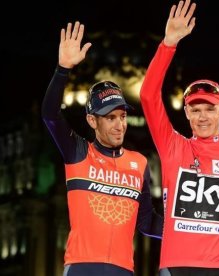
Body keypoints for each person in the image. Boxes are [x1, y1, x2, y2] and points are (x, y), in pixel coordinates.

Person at [139, 0, 219, 275]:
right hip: (174, 267)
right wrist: (168, 44)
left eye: (210, 109)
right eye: (195, 109)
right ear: (187, 113)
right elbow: (147, 96)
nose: (203, 117)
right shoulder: (172, 146)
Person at [41, 21, 162, 276]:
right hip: (81, 268)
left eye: (122, 116)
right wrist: (63, 69)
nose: (119, 125)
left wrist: (189, 227)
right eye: (110, 118)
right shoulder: (78, 153)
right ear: (92, 120)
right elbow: (50, 115)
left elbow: (147, 222)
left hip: (123, 271)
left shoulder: (139, 163)